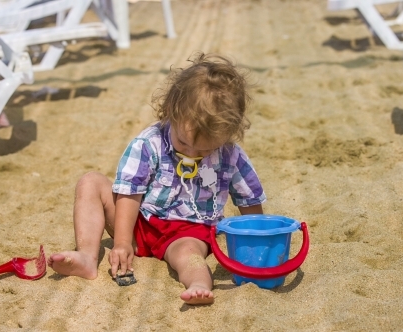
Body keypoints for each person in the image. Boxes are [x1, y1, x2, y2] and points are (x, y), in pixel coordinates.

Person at [47, 53, 266, 305]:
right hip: (138, 222)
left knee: (190, 255)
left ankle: (198, 285)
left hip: (188, 231)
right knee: (91, 181)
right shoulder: (149, 142)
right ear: (171, 112)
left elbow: (249, 199)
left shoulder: (230, 155)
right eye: (183, 142)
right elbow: (130, 192)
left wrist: (257, 241)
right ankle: (86, 256)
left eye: (205, 150)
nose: (191, 153)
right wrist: (121, 242)